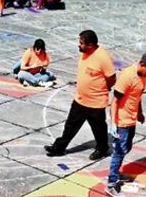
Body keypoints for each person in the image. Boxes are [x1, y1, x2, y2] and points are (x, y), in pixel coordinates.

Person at [45, 29, 114, 161]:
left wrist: (102, 89)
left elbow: (111, 78)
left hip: (96, 102)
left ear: (91, 45)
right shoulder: (84, 53)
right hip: (80, 99)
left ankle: (102, 148)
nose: (79, 45)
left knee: (98, 128)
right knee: (70, 126)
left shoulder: (103, 57)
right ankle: (59, 148)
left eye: (81, 43)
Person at [106, 52, 146, 197]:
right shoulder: (127, 76)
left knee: (126, 148)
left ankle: (116, 172)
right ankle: (111, 184)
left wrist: (140, 113)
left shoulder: (144, 76)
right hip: (122, 121)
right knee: (119, 151)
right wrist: (113, 123)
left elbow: (137, 97)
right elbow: (115, 102)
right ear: (142, 64)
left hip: (131, 119)